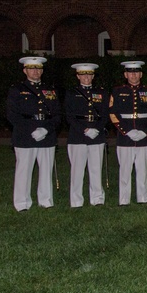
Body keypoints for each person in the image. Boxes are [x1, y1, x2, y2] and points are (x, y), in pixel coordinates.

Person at [7, 56, 61, 211]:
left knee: (46, 170)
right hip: (25, 136)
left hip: (47, 135)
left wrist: (46, 129)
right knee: (24, 170)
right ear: (25, 71)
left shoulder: (49, 89)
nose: (35, 71)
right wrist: (31, 130)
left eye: (38, 68)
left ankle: (46, 201)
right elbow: (12, 115)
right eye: (31, 68)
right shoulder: (17, 89)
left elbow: (57, 114)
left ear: (42, 71)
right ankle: (22, 203)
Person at [110, 60, 147, 205]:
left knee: (142, 169)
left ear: (141, 74)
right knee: (125, 170)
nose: (133, 75)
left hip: (144, 136)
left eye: (136, 72)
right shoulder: (117, 91)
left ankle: (143, 198)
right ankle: (124, 199)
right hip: (125, 137)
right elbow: (112, 113)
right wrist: (125, 131)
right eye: (130, 72)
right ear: (125, 74)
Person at [66, 62, 109, 208]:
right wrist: (84, 129)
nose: (87, 77)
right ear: (78, 76)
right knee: (77, 171)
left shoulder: (101, 92)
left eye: (89, 74)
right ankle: (76, 200)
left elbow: (104, 114)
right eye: (83, 75)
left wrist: (97, 128)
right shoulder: (72, 93)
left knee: (96, 168)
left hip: (97, 134)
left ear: (93, 76)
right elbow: (69, 116)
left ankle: (97, 199)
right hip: (78, 136)